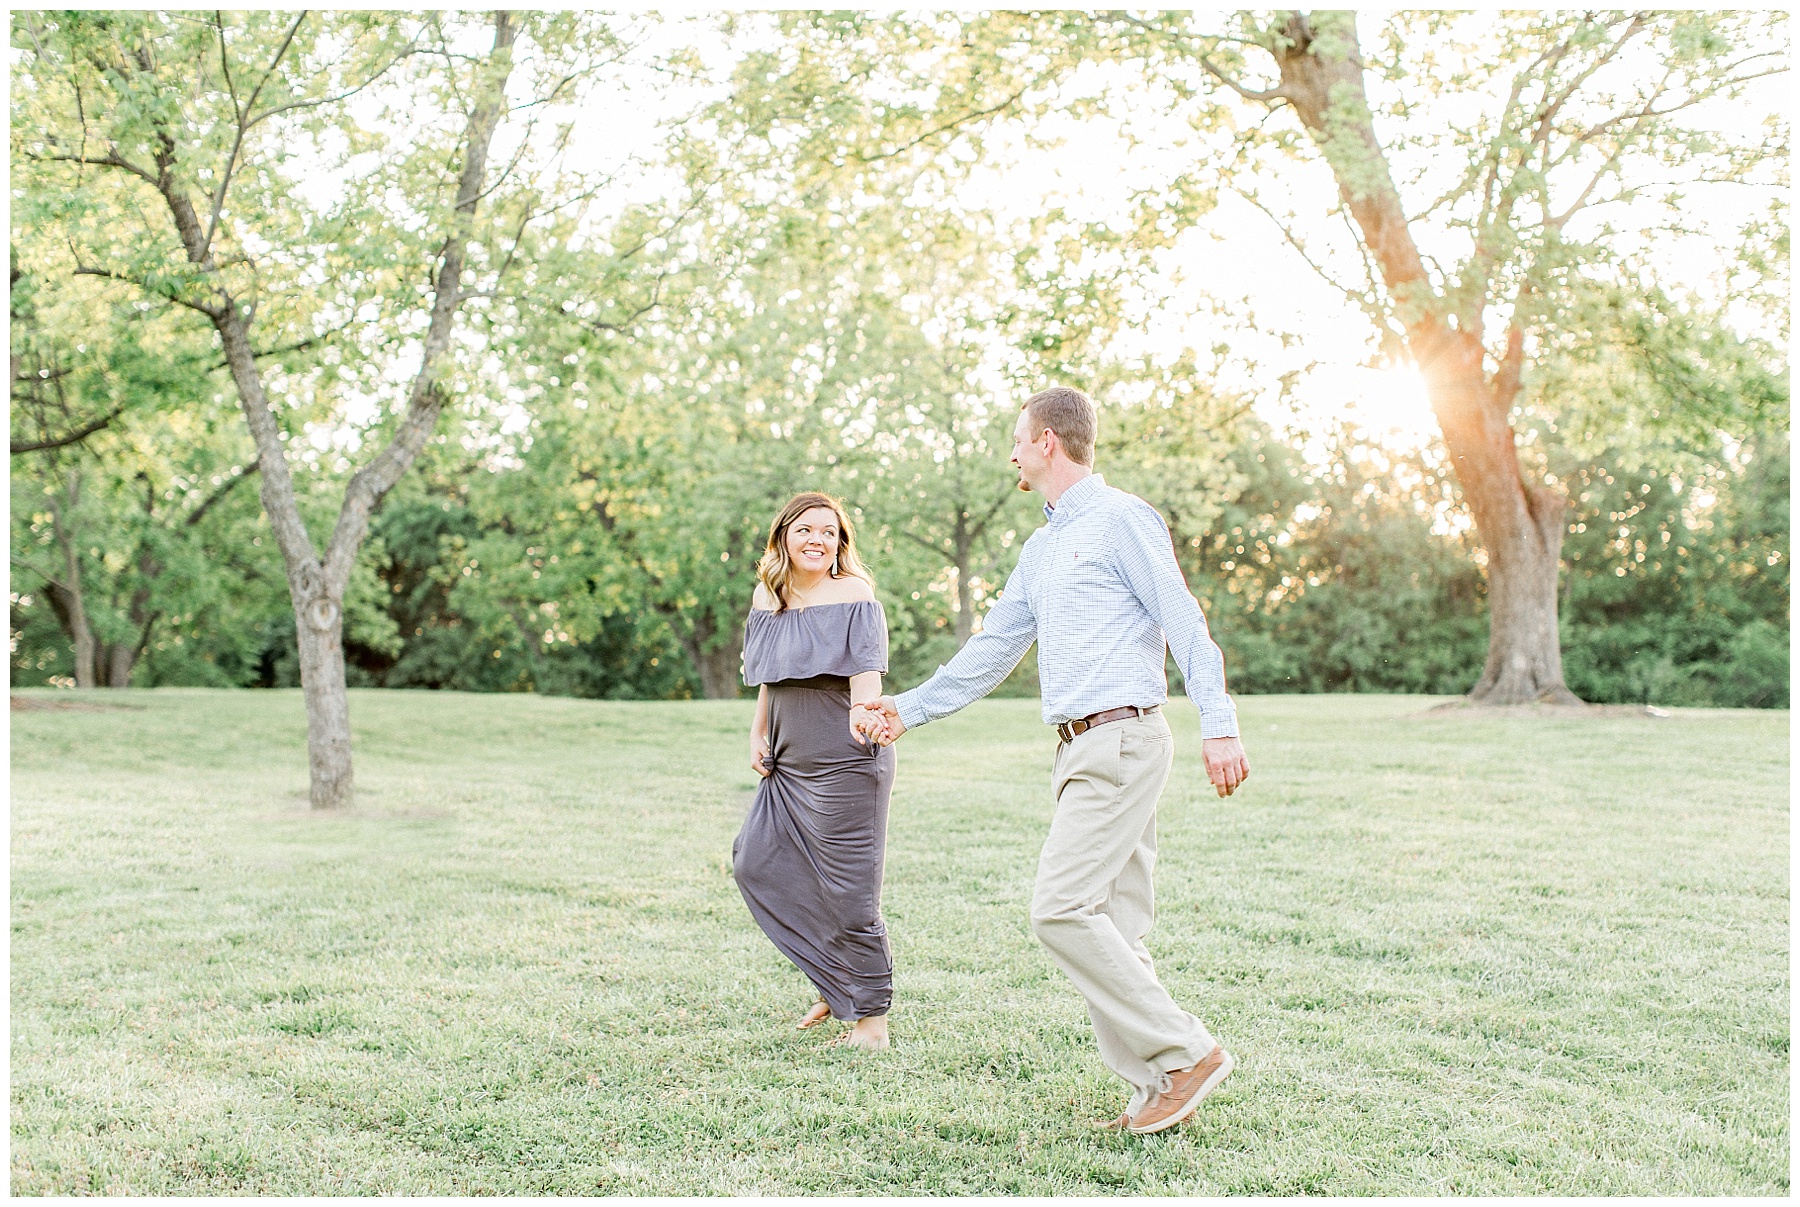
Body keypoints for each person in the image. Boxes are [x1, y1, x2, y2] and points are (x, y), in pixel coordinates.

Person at [869, 386, 1252, 1133]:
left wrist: (1222, 722)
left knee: (1059, 907)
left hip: (1123, 737)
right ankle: (1156, 1086)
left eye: (1017, 439)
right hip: (1079, 748)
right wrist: (908, 707)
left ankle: (1188, 1050)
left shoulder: (1120, 519)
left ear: (1048, 441)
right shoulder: (1041, 548)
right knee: (1114, 920)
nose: (1011, 453)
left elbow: (1182, 617)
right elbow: (993, 649)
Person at [734, 491, 897, 1051]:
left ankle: (870, 1020)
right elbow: (769, 678)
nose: (817, 540)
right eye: (805, 530)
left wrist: (865, 715)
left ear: (839, 543)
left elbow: (867, 674)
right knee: (757, 863)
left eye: (829, 532)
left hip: (846, 758)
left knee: (850, 891)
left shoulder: (853, 592)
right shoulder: (767, 596)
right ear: (783, 536)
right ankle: (836, 977)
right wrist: (758, 732)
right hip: (789, 757)